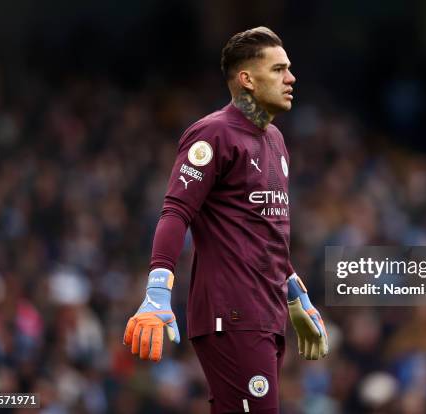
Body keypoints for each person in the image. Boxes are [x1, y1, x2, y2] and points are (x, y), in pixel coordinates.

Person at [123, 26, 328, 413]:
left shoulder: (275, 141)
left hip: (265, 312)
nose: (291, 78)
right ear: (247, 79)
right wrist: (157, 291)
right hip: (231, 312)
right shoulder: (213, 134)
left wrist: (295, 294)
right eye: (279, 69)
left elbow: (262, 232)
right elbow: (176, 211)